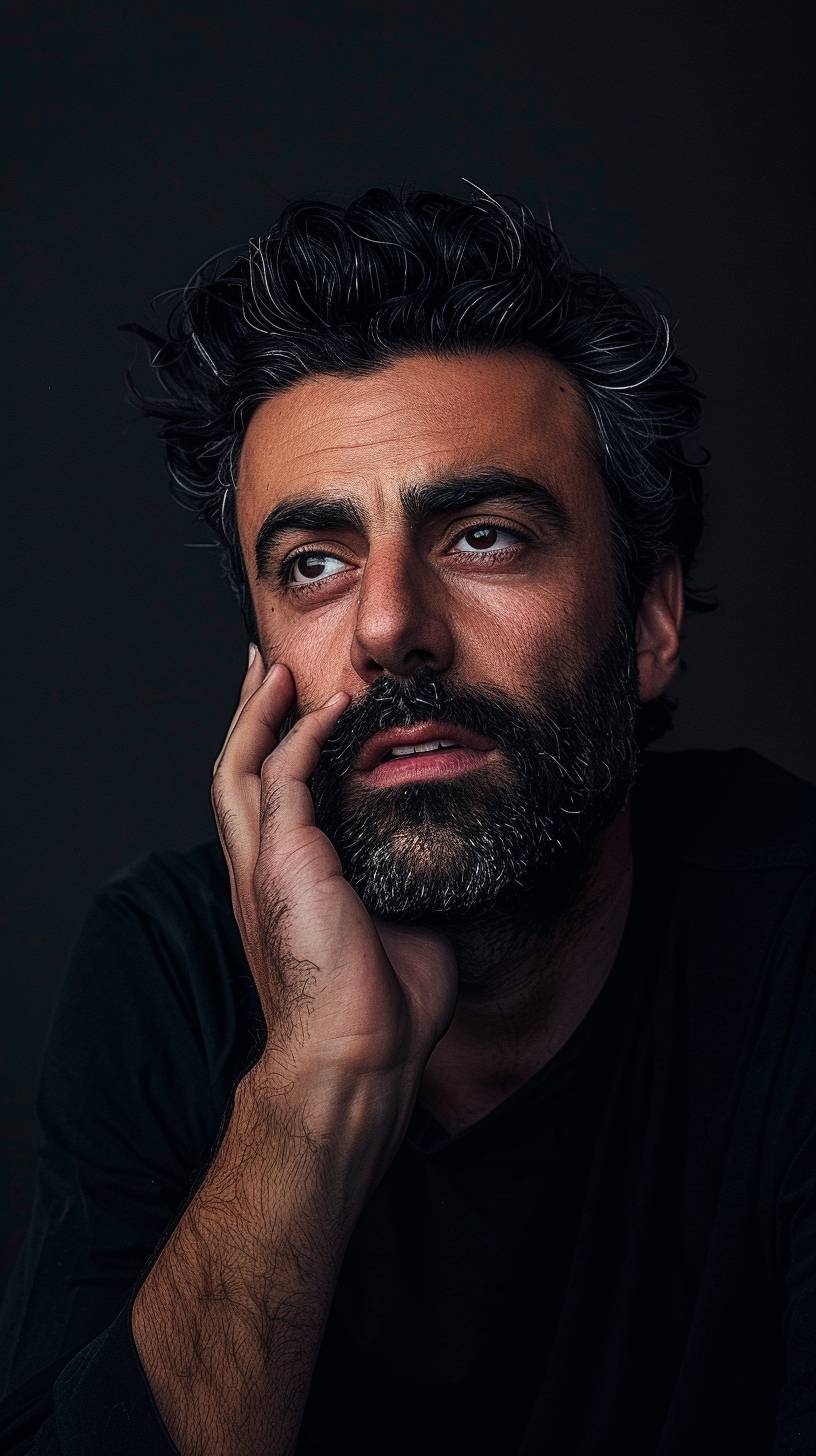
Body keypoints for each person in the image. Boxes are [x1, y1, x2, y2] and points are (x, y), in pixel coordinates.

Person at [1, 186, 814, 1456]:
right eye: (314, 565)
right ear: (261, 652)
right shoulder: (165, 964)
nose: (388, 626)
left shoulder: (797, 940)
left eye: (484, 536)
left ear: (650, 622)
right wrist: (316, 1089)